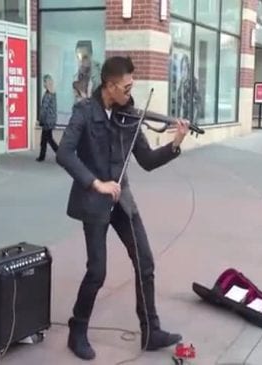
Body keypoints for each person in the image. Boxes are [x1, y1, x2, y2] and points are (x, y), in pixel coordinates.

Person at [56, 56, 190, 361]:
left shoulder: (128, 116)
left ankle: (151, 331)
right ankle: (77, 330)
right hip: (94, 199)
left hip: (122, 200)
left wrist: (175, 143)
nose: (130, 94)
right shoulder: (85, 112)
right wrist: (96, 183)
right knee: (97, 271)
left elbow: (147, 161)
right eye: (126, 87)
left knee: (145, 261)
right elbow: (64, 153)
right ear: (109, 85)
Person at [36, 74, 59, 162]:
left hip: (47, 120)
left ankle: (60, 153)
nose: (43, 84)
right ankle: (42, 156)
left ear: (47, 83)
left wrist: (40, 120)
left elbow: (44, 109)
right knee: (46, 139)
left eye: (44, 82)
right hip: (51, 119)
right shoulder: (53, 94)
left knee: (47, 139)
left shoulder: (48, 95)